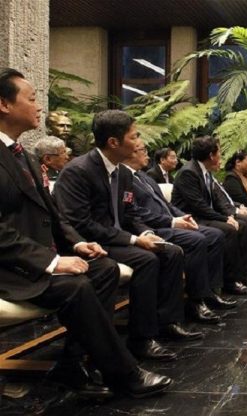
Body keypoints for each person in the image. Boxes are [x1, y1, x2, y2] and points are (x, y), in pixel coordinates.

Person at [0, 68, 170, 398]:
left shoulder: (24, 156)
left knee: (103, 268)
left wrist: (77, 244)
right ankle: (125, 374)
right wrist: (52, 262)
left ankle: (74, 362)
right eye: (32, 99)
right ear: (4, 104)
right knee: (75, 287)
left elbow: (55, 215)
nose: (40, 107)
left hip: (31, 259)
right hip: (10, 267)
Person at [55, 109, 202, 362]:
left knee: (169, 251)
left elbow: (130, 212)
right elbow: (81, 222)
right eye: (134, 137)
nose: (138, 142)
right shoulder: (78, 171)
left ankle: (167, 322)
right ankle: (141, 339)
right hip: (91, 244)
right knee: (147, 260)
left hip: (117, 238)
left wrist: (145, 232)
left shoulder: (122, 173)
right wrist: (134, 240)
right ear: (114, 142)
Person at [121, 137, 236, 322]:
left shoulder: (143, 176)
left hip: (168, 220)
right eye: (143, 150)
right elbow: (136, 214)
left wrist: (181, 216)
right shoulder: (124, 179)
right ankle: (196, 301)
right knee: (196, 239)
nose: (148, 154)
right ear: (130, 153)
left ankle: (210, 292)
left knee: (215, 235)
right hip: (153, 228)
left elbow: (167, 204)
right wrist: (172, 221)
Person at [171, 135, 247, 296]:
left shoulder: (205, 171)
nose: (220, 156)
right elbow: (198, 206)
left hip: (205, 215)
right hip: (191, 218)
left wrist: (229, 215)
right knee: (228, 229)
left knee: (241, 225)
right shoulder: (189, 172)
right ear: (211, 155)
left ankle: (242, 275)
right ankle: (226, 283)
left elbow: (216, 198)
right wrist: (224, 218)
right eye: (219, 152)